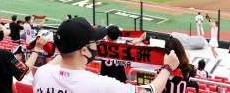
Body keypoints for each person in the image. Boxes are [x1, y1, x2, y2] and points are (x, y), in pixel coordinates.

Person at [33, 17, 180, 93]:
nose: (97, 44)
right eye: (94, 41)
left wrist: (66, 47)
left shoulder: (41, 73)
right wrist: (167, 68)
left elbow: (62, 55)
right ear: (84, 50)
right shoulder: (100, 85)